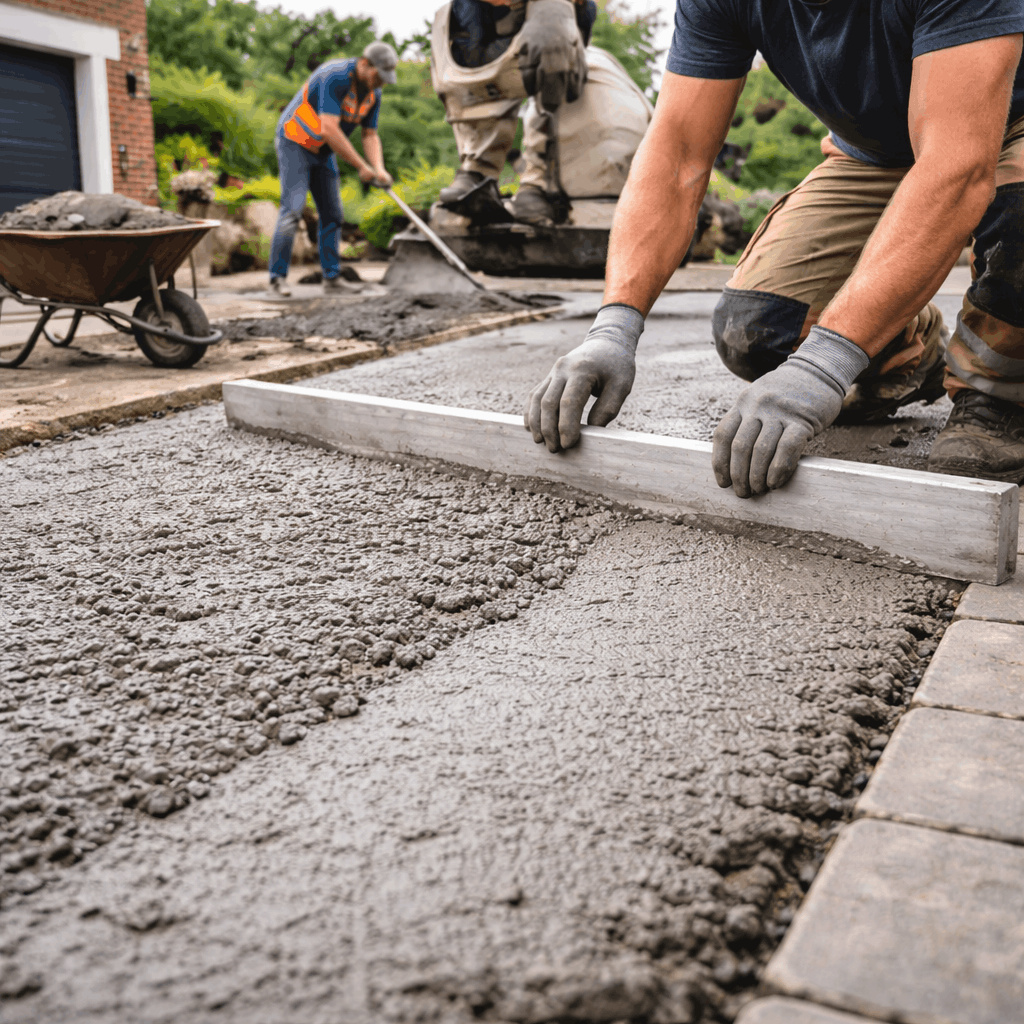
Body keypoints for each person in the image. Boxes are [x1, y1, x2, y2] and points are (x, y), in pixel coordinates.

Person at [525, 2, 1024, 490]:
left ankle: (1000, 396)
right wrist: (614, 328)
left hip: (1006, 127)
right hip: (876, 156)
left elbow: (955, 169)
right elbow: (677, 157)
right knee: (760, 329)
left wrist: (825, 363)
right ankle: (915, 353)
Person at [268, 41, 397, 297]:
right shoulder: (335, 75)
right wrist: (361, 167)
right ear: (364, 64)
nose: (380, 82)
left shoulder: (374, 93)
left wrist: (378, 168)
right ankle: (277, 279)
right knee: (293, 209)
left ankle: (332, 279)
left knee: (333, 214)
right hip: (295, 142)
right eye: (377, 75)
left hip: (323, 150)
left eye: (384, 78)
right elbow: (329, 128)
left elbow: (370, 135)